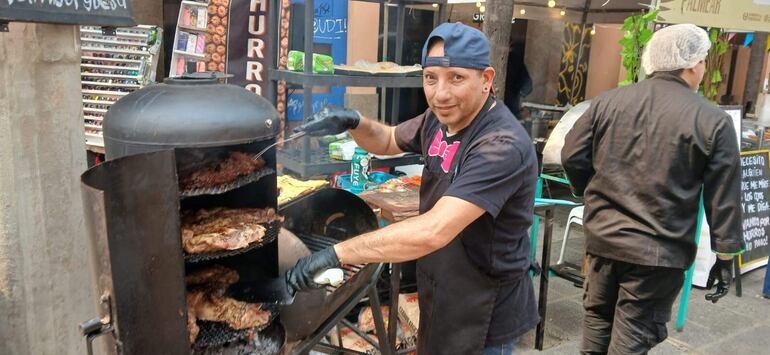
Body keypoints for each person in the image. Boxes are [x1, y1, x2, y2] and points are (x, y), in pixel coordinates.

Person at [286, 22, 539, 355]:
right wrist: (353, 122)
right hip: (442, 290)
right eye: (431, 78)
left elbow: (433, 231)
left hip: (485, 309)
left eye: (457, 78)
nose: (440, 93)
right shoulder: (438, 119)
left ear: (487, 79)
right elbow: (389, 140)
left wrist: (336, 254)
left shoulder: (500, 145)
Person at [561, 24, 745, 354]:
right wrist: (726, 254)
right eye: (703, 60)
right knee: (633, 336)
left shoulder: (608, 102)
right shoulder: (711, 119)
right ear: (693, 63)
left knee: (596, 323)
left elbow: (572, 153)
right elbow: (724, 194)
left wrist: (591, 192)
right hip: (659, 251)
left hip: (603, 239)